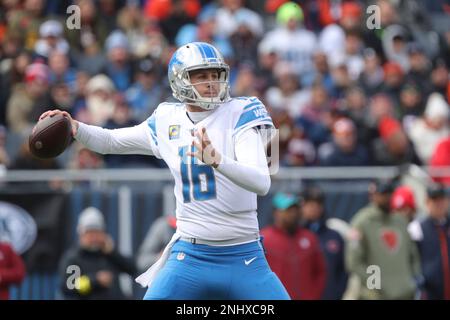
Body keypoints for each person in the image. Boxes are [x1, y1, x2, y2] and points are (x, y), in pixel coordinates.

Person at [41, 42, 289, 300]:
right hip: (190, 256)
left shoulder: (242, 111)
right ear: (179, 80)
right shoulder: (167, 118)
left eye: (215, 74)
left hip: (243, 255)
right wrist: (75, 127)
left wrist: (217, 160)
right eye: (201, 75)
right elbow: (111, 141)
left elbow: (262, 182)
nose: (211, 82)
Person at [345, 179, 422, 300]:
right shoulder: (362, 222)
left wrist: (413, 279)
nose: (387, 197)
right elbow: (354, 262)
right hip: (377, 295)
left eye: (390, 193)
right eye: (383, 194)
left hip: (404, 293)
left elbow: (412, 254)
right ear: (373, 196)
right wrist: (375, 285)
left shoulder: (400, 221)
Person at [58, 207, 137, 300]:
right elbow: (69, 287)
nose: (94, 238)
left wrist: (113, 253)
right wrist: (95, 280)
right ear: (81, 235)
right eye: (90, 233)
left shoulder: (109, 254)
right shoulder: (73, 258)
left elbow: (133, 269)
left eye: (97, 233)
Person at [261, 192, 326, 300]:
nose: (293, 213)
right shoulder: (264, 238)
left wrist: (313, 296)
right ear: (276, 212)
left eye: (296, 209)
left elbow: (320, 271)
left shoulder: (309, 238)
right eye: (288, 210)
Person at [300, 187, 348, 300]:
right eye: (310, 204)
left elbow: (343, 270)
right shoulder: (295, 237)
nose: (314, 208)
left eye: (318, 204)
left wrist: (337, 293)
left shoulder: (334, 236)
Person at [409, 184, 450, 299]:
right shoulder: (416, 228)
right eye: (434, 200)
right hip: (429, 292)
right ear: (427, 202)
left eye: (441, 199)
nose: (439, 204)